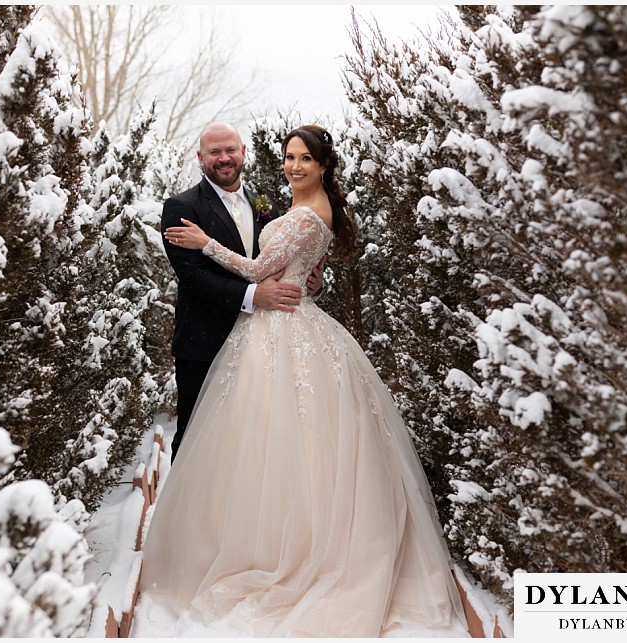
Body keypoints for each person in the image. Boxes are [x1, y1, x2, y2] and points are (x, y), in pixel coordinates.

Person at [142, 124, 469, 637]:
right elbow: (206, 277)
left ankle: (286, 550)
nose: (294, 166)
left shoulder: (290, 208)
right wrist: (301, 275)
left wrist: (211, 244)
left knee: (290, 447)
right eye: (289, 157)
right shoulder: (192, 205)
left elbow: (258, 267)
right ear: (201, 157)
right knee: (219, 446)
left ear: (322, 166)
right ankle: (207, 541)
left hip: (281, 334)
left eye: (304, 159)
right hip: (219, 338)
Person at [161, 122, 322, 461]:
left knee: (251, 442)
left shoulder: (264, 202)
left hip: (263, 344)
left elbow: (286, 258)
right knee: (195, 440)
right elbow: (193, 276)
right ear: (200, 157)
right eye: (215, 152)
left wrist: (311, 283)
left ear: (244, 152)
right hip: (205, 343)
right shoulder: (181, 207)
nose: (224, 158)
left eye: (230, 150)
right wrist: (253, 296)